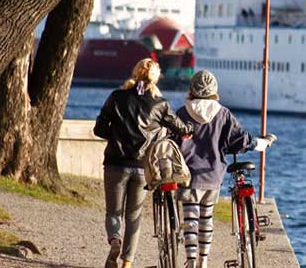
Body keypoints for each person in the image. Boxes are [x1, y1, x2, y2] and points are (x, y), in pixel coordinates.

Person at [94, 58, 193, 268]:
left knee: (113, 213)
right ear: (155, 78)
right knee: (133, 216)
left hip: (115, 163)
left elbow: (99, 129)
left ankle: (114, 241)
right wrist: (188, 129)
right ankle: (127, 262)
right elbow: (182, 129)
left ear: (135, 73)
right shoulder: (160, 104)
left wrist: (116, 135)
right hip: (142, 167)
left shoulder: (117, 97)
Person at [174, 70, 276, 268]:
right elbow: (240, 140)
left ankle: (191, 261)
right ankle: (203, 261)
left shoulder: (182, 113)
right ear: (214, 91)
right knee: (206, 218)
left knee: (190, 220)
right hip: (212, 176)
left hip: (188, 177)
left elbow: (170, 142)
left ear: (192, 90)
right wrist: (260, 143)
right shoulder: (222, 114)